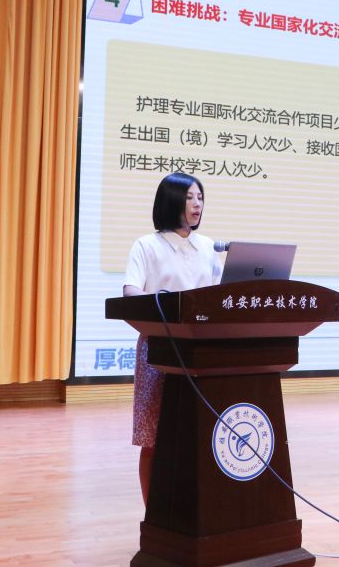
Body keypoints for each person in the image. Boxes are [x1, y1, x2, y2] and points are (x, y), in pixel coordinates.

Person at [122, 172, 223, 505]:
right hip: (159, 351)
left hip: (201, 353)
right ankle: (153, 513)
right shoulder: (146, 245)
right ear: (171, 201)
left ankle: (194, 510)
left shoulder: (208, 247)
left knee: (199, 435)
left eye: (200, 197)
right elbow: (131, 292)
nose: (197, 204)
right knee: (153, 438)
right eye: (190, 197)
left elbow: (219, 297)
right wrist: (168, 306)